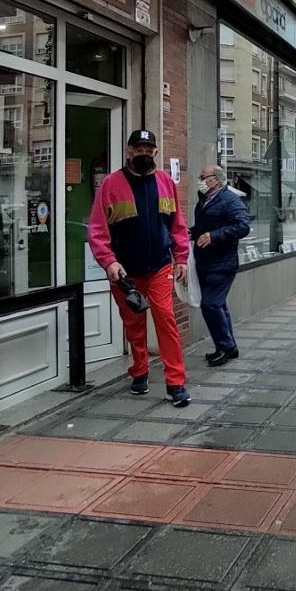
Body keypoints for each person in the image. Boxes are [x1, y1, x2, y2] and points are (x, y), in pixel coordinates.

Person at [87, 129, 191, 406]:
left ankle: (176, 382)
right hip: (124, 271)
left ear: (155, 152)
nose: (143, 152)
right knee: (133, 324)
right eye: (138, 148)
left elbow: (177, 225)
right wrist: (109, 262)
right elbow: (97, 230)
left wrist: (181, 257)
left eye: (148, 148)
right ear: (128, 151)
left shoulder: (166, 183)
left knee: (166, 319)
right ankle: (140, 371)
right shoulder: (110, 185)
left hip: (158, 265)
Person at [189, 163, 249, 367]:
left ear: (216, 179)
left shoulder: (231, 200)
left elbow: (242, 226)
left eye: (203, 177)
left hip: (223, 263)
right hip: (205, 262)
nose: (201, 180)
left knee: (210, 304)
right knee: (219, 306)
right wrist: (192, 232)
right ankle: (227, 346)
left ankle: (226, 346)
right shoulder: (204, 200)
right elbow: (203, 227)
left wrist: (214, 236)